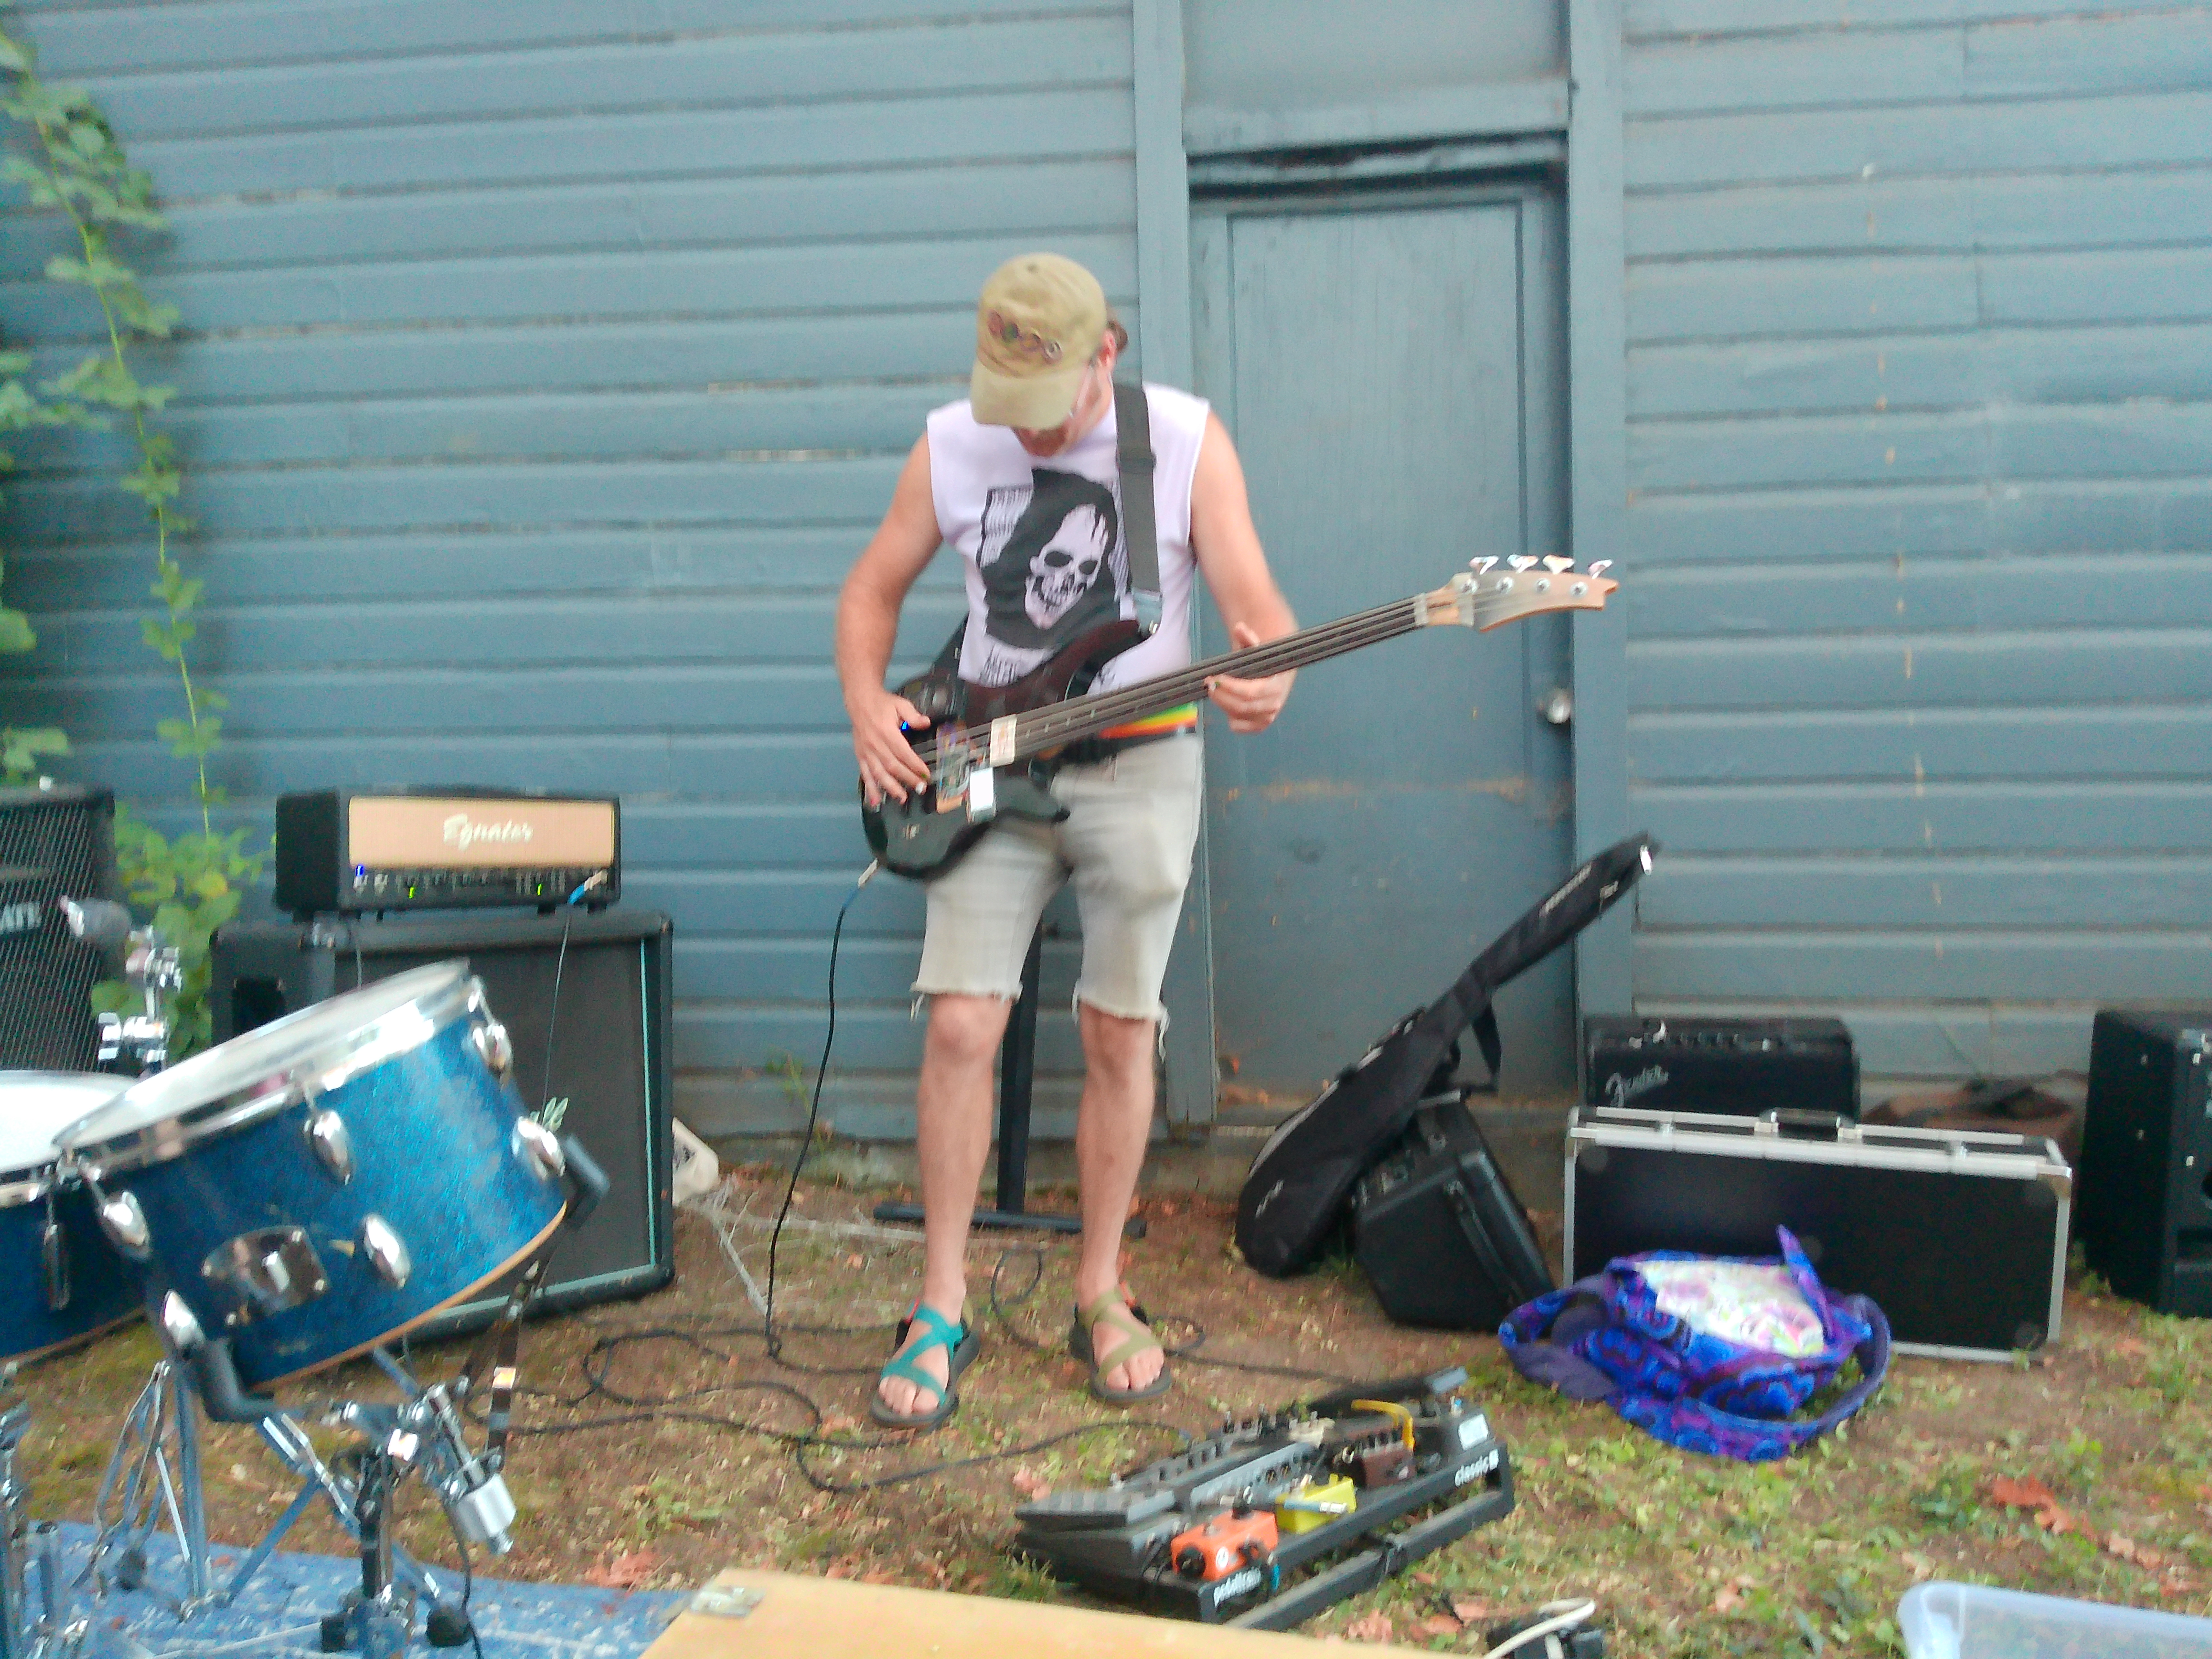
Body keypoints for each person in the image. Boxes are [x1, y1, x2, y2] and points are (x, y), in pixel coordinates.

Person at [835, 252, 1297, 1429]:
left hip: (1142, 761)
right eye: (1009, 408)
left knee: (1117, 1029)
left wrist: (1267, 664)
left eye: (1050, 411)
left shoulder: (1184, 441)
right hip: (984, 764)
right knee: (959, 1021)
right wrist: (866, 701)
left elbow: (1256, 605)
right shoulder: (950, 444)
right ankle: (942, 1302)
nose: (1027, 438)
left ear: (1108, 355)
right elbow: (870, 592)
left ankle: (1101, 1287)